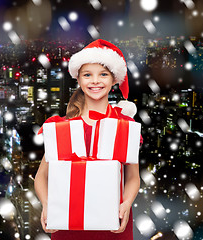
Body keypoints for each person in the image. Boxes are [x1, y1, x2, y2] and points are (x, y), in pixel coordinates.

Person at [34, 39, 142, 240]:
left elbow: (133, 177)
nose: (95, 81)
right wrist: (47, 205)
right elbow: (41, 176)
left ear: (114, 80)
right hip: (67, 224)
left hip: (113, 225)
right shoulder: (61, 127)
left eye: (103, 74)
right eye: (87, 75)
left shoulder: (124, 125)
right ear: (79, 79)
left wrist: (126, 205)